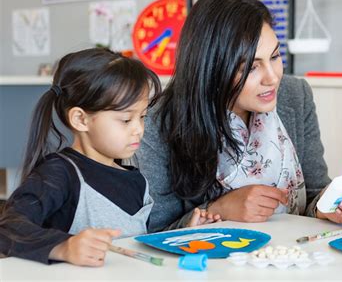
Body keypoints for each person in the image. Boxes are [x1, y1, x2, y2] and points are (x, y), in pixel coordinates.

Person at [136, 0, 342, 232]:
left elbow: (314, 194)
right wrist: (219, 209)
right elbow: (154, 230)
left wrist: (328, 207)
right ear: (211, 68)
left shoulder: (295, 96)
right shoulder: (156, 124)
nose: (272, 78)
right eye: (251, 67)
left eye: (274, 57)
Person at [0, 48, 218, 267]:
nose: (138, 130)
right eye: (125, 120)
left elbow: (136, 244)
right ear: (81, 119)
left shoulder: (136, 180)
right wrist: (65, 247)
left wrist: (186, 229)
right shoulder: (59, 173)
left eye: (142, 117)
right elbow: (9, 228)